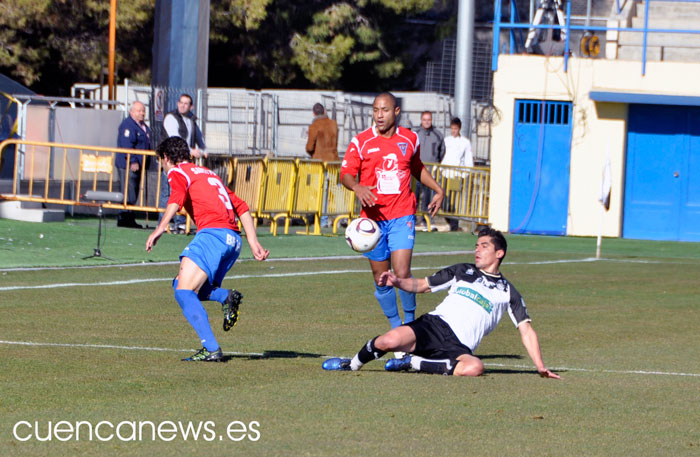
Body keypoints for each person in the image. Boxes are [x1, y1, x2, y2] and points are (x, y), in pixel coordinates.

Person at [323, 228, 561, 379]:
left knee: (474, 368)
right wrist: (397, 281)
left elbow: (526, 331)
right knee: (388, 341)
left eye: (484, 246)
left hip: (458, 346)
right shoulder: (462, 270)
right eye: (476, 246)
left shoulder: (509, 292)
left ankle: (413, 363)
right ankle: (351, 364)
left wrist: (540, 366)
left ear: (499, 253)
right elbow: (422, 285)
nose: (477, 250)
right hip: (433, 326)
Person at [146, 137, 269, 362]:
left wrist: (160, 228)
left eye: (161, 162)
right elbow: (241, 206)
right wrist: (253, 242)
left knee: (183, 292)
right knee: (188, 288)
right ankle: (225, 297)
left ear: (166, 158)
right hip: (233, 240)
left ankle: (211, 349)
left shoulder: (178, 172)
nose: (163, 167)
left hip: (213, 235)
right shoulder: (208, 174)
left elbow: (176, 197)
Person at [340, 92, 444, 333]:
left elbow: (417, 167)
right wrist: (356, 187)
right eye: (376, 109)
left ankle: (410, 326)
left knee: (402, 272)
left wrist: (438, 189)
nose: (379, 114)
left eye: (384, 110)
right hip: (372, 222)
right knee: (381, 278)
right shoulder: (361, 141)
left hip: (402, 215)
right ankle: (396, 328)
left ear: (396, 112)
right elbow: (346, 174)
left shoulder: (410, 139)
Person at [160, 93, 207, 232]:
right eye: (181, 102)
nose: (182, 105)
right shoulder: (171, 117)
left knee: (183, 192)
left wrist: (204, 150)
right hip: (170, 161)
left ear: (191, 106)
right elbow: (175, 137)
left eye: (186, 103)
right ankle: (163, 223)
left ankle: (180, 223)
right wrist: (190, 150)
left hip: (183, 163)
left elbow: (199, 139)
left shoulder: (191, 119)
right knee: (167, 193)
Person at [115, 101, 150, 228]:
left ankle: (129, 218)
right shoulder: (128, 125)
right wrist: (133, 161)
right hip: (128, 165)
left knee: (133, 191)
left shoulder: (142, 126)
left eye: (143, 110)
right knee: (128, 192)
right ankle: (124, 218)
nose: (142, 113)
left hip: (140, 164)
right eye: (139, 111)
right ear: (131, 112)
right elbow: (127, 145)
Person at [306, 103, 339, 227]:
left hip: (319, 164)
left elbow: (310, 147)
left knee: (321, 192)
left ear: (314, 113)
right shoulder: (333, 124)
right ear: (324, 111)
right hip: (334, 162)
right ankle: (340, 219)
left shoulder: (314, 126)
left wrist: (313, 153)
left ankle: (323, 220)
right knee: (336, 191)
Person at [441, 117, 473, 232]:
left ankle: (454, 226)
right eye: (452, 128)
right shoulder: (446, 140)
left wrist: (465, 174)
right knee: (443, 200)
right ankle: (453, 223)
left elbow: (468, 159)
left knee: (453, 201)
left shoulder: (465, 142)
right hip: (445, 173)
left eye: (455, 128)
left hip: (456, 175)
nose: (453, 131)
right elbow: (442, 156)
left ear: (459, 129)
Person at [414, 111, 444, 227]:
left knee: (429, 196)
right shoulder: (415, 134)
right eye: (424, 119)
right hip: (416, 172)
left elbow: (442, 151)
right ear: (421, 120)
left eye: (429, 120)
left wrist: (435, 162)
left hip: (430, 172)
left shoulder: (438, 135)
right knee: (414, 196)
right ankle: (414, 218)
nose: (426, 122)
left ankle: (427, 219)